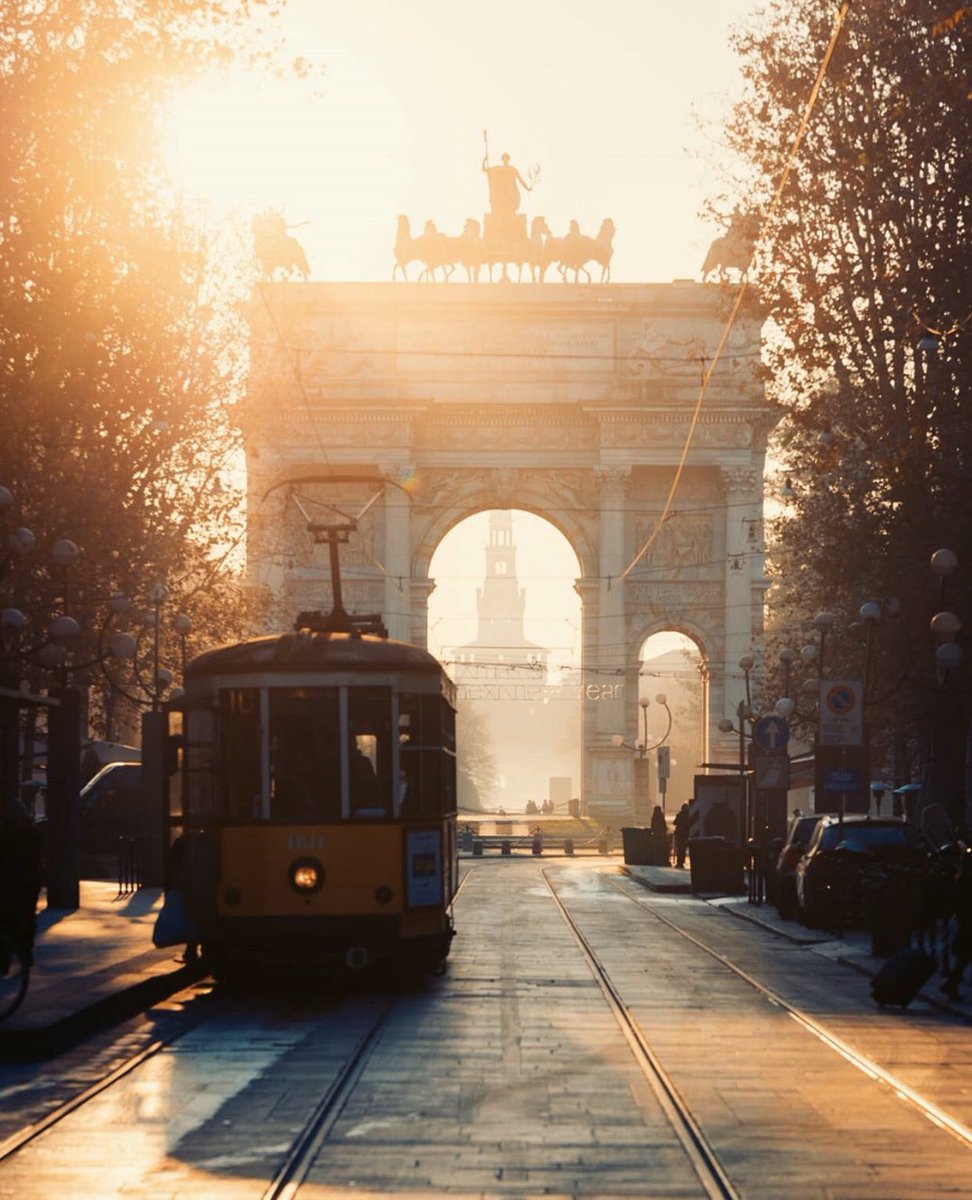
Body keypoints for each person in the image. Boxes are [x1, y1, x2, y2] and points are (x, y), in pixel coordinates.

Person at [0, 798, 43, 971]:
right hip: (27, 882)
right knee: (25, 918)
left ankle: (6, 958)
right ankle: (24, 953)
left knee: (7, 919)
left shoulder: (6, 832)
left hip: (13, 882)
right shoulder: (31, 832)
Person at [941, 850, 972, 1000]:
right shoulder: (966, 882)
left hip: (964, 922)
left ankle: (951, 984)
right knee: (964, 956)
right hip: (967, 922)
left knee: (963, 957)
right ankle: (951, 984)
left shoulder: (961, 880)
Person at [482, 153, 532, 218]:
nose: (505, 161)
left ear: (508, 160)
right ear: (503, 160)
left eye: (506, 159)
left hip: (511, 194)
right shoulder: (498, 169)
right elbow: (485, 170)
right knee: (504, 212)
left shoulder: (512, 169)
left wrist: (527, 188)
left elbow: (521, 180)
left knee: (511, 212)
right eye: (504, 159)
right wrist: (484, 160)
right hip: (502, 195)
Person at [673, 801, 691, 869]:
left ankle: (679, 862)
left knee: (679, 849)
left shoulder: (679, 814)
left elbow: (674, 822)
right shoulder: (689, 815)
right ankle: (682, 861)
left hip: (679, 834)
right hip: (686, 834)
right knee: (684, 849)